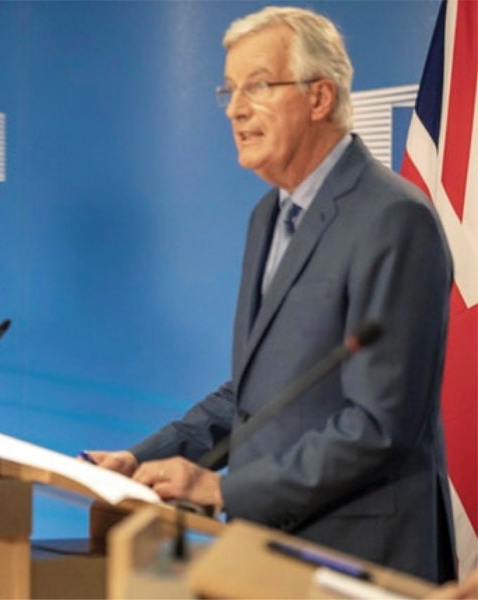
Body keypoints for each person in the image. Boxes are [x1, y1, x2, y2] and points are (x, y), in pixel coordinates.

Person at [87, 6, 455, 584]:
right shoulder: (269, 216)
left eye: (257, 86)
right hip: (274, 555)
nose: (235, 109)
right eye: (229, 90)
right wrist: (146, 456)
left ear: (319, 98)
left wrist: (224, 488)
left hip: (365, 559)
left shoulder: (392, 219)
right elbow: (257, 396)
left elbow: (378, 425)